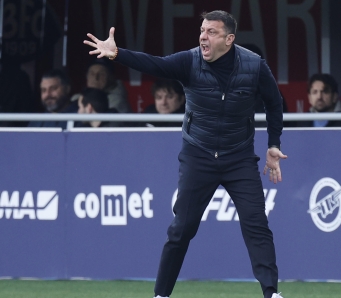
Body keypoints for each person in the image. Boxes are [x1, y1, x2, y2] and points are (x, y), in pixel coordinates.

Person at [84, 10, 286, 298]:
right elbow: (154, 64)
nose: (203, 37)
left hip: (239, 157)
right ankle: (161, 295)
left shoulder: (254, 66)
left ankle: (271, 293)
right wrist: (118, 54)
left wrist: (273, 144)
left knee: (257, 224)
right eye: (202, 31)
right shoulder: (189, 61)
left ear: (229, 39)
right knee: (181, 229)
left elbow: (274, 102)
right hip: (198, 155)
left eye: (211, 32)